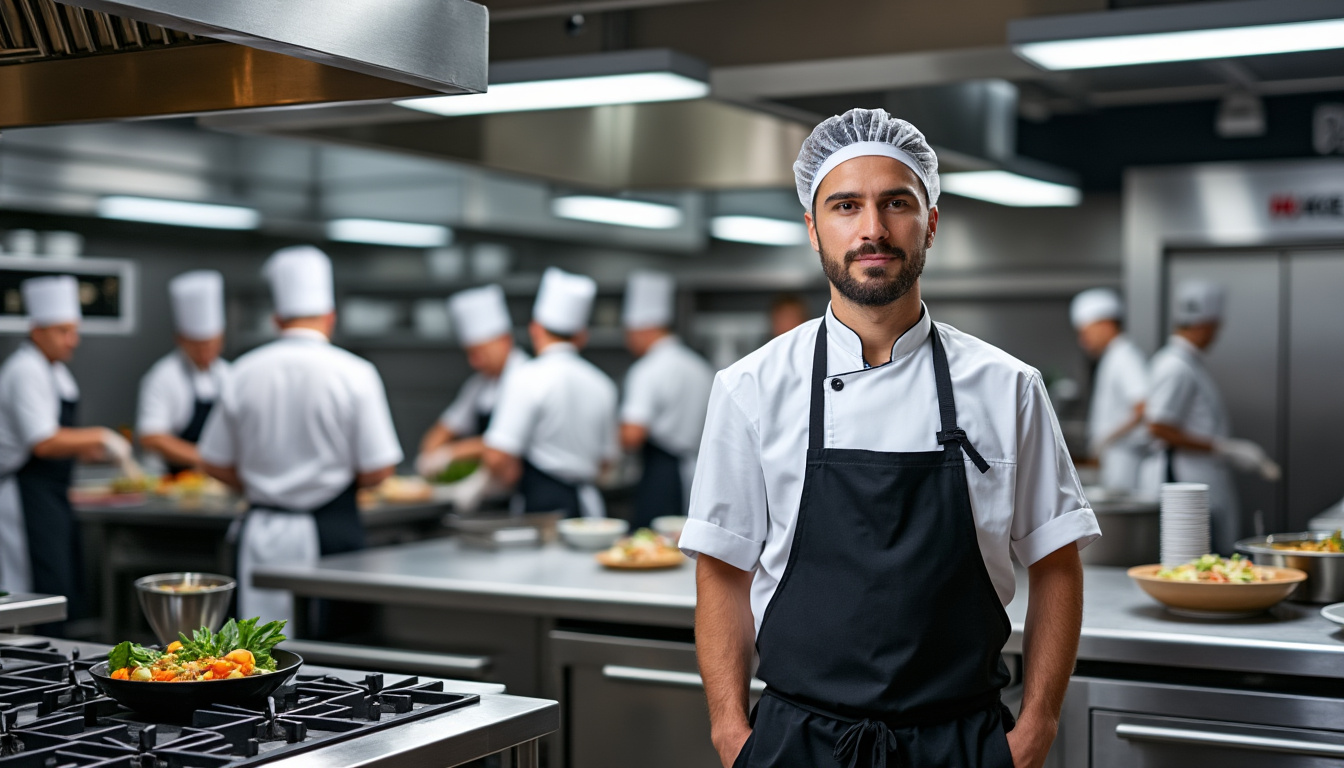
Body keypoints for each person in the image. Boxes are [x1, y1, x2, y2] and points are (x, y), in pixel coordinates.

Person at [683, 108, 1099, 768]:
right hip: (796, 742)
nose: (872, 229)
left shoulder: (1009, 386)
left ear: (930, 222)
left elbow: (1056, 564)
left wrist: (1036, 728)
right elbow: (723, 571)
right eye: (846, 205)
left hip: (960, 742)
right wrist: (731, 732)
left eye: (896, 203)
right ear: (813, 227)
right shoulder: (750, 387)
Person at [199, 246, 402, 623]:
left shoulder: (242, 371)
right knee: (338, 647)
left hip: (260, 530)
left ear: (277, 319)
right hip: (333, 530)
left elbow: (213, 462)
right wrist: (331, 483)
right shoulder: (356, 372)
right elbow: (379, 469)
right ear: (330, 316)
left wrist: (261, 484)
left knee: (256, 646)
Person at [0, 276, 131, 627]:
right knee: (39, 588)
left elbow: (62, 441)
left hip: (52, 494)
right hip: (25, 495)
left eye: (74, 330)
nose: (73, 340)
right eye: (63, 331)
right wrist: (100, 437)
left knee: (60, 586)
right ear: (37, 330)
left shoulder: (54, 372)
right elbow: (44, 442)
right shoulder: (25, 371)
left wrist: (97, 452)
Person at [1144, 280, 1279, 555]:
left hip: (1200, 478)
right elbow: (1158, 427)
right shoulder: (1175, 366)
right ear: (1205, 325)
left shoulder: (1187, 364)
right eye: (1216, 328)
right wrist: (1222, 448)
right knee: (1196, 555)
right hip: (1185, 481)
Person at [482, 267, 618, 519]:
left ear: (535, 329)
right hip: (589, 509)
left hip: (542, 510)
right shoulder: (603, 384)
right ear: (581, 336)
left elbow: (497, 457)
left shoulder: (526, 376)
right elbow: (606, 463)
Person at [619, 271, 714, 528]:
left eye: (629, 331)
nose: (628, 339)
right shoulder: (699, 366)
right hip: (700, 475)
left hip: (662, 478)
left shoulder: (646, 369)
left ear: (644, 328)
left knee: (653, 543)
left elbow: (632, 434)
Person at [415, 284, 528, 478]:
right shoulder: (478, 385)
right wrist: (430, 454)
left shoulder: (527, 378)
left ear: (504, 340)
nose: (474, 361)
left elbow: (502, 447)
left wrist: (451, 453)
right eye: (470, 353)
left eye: (480, 352)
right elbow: (443, 429)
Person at [137, 270, 231, 475]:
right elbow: (151, 437)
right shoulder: (163, 376)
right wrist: (206, 460)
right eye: (197, 345)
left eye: (211, 344)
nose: (205, 353)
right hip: (169, 479)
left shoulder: (227, 374)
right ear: (180, 339)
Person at [1070, 287, 1149, 493]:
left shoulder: (1125, 356)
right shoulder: (1113, 356)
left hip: (1126, 461)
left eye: (1085, 332)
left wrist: (1105, 440)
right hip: (1116, 461)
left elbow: (1143, 408)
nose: (1083, 340)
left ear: (1105, 324)